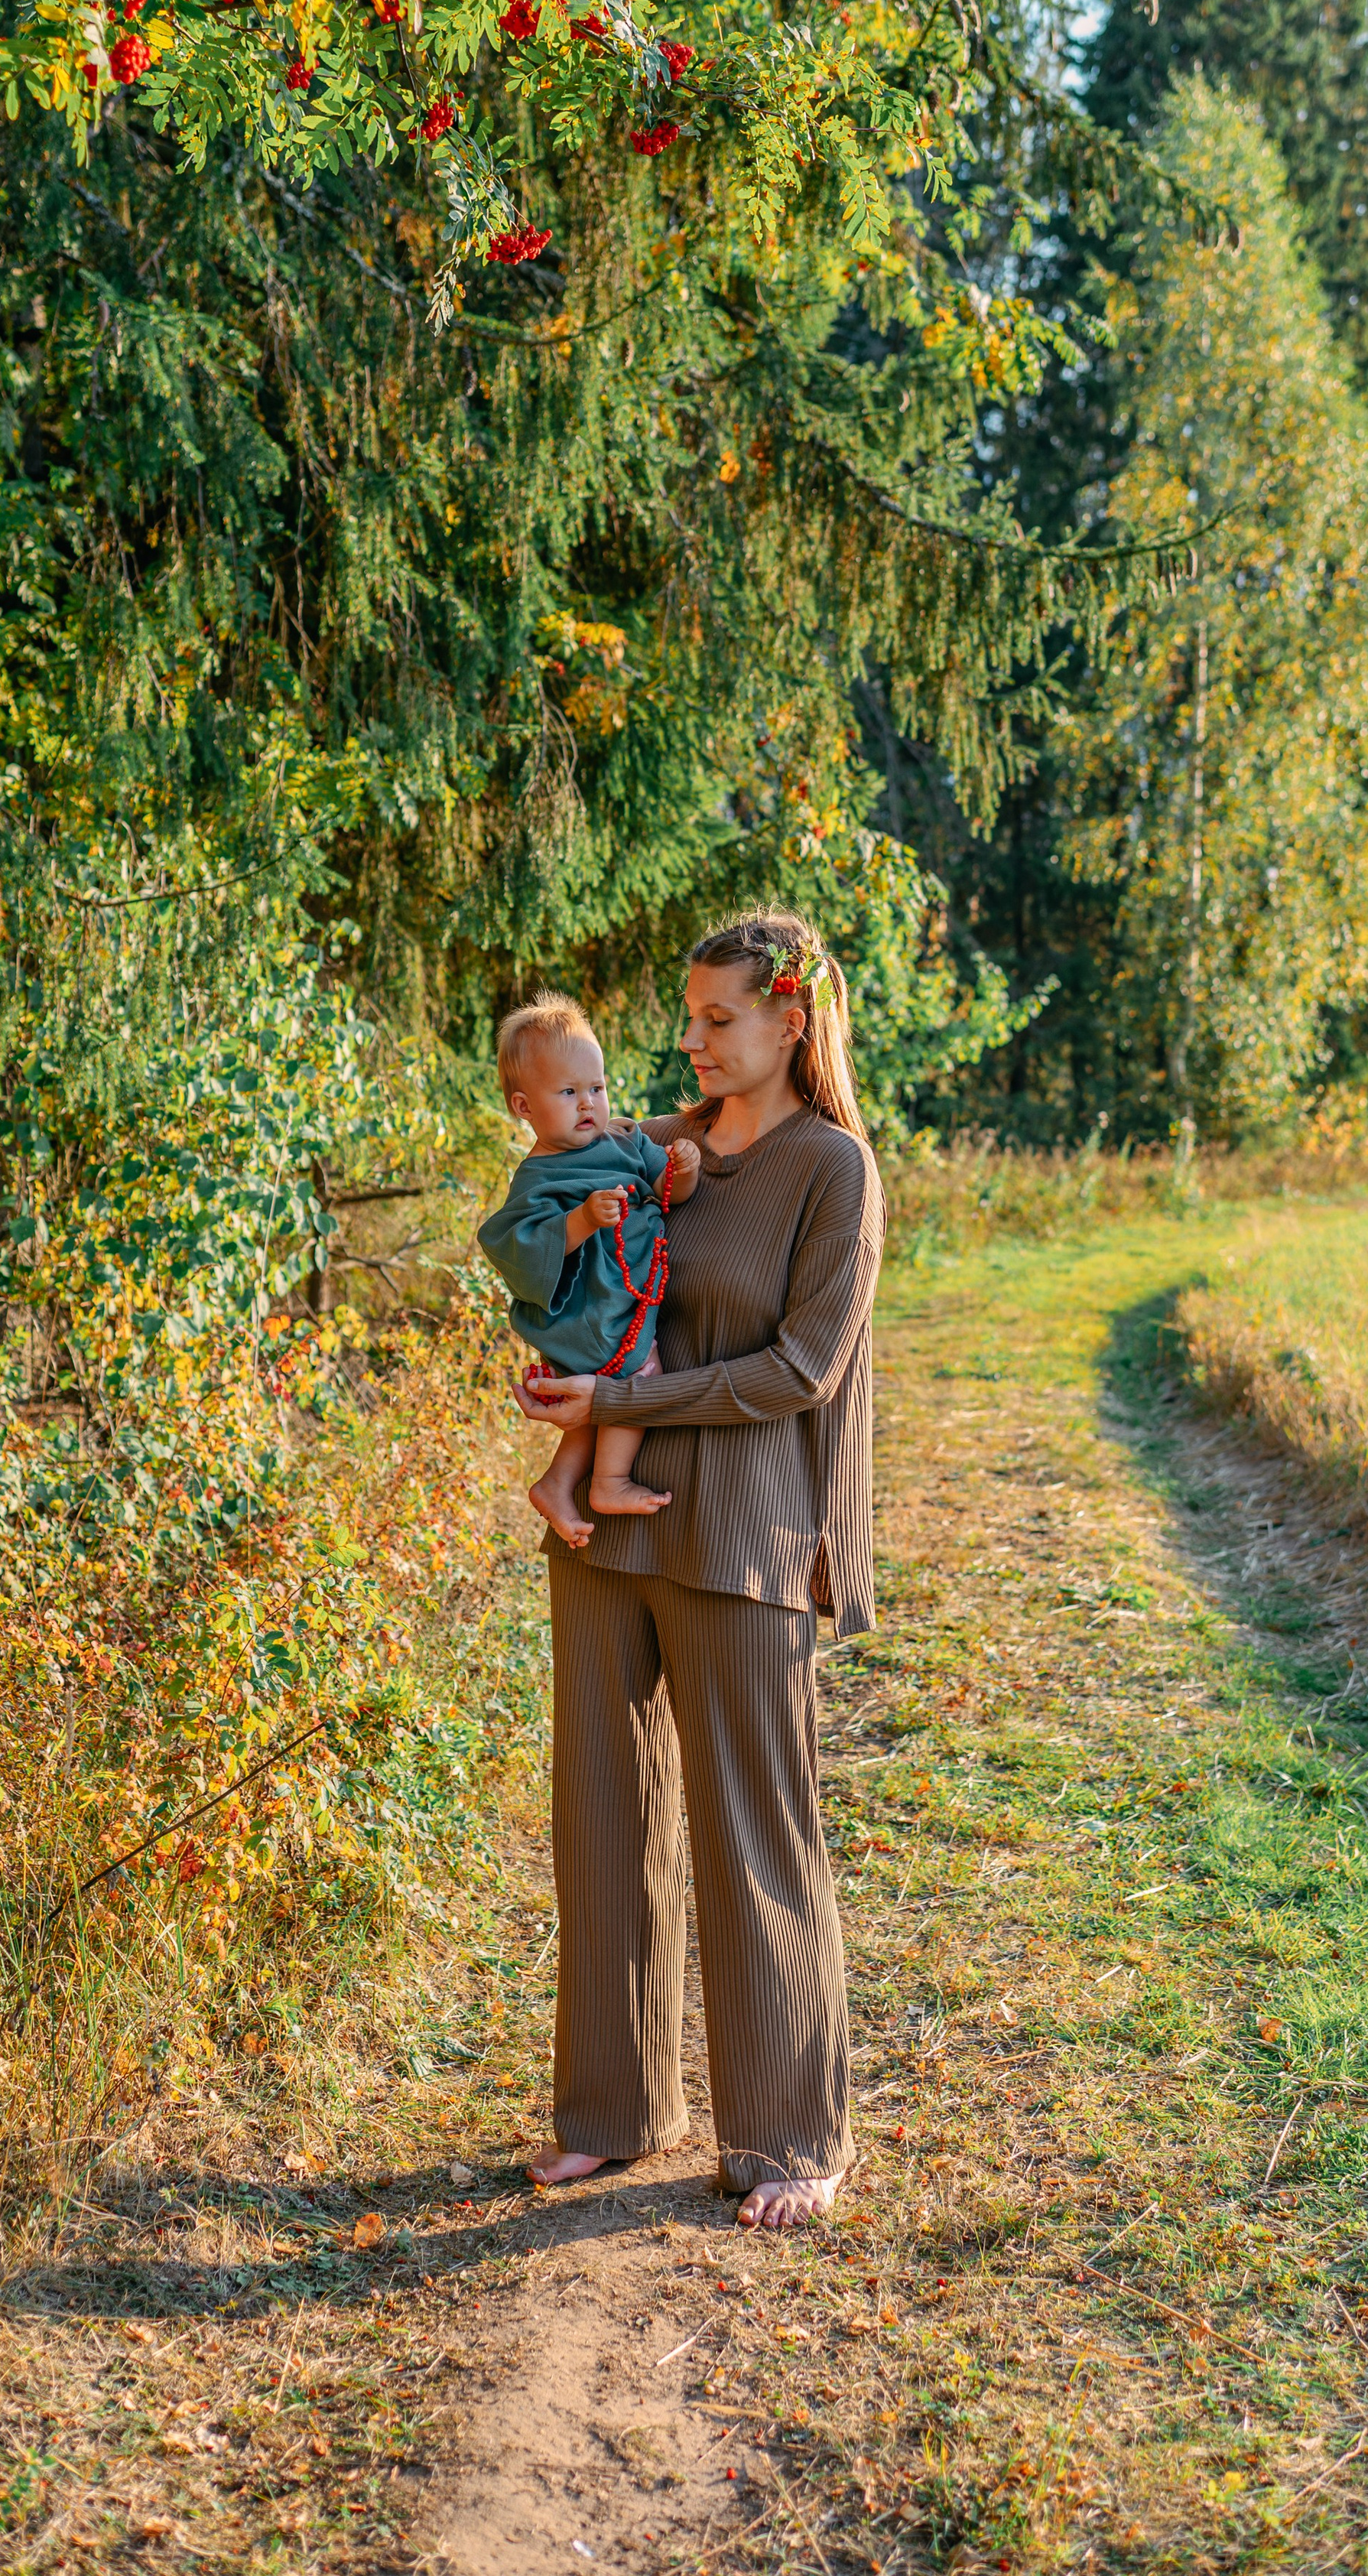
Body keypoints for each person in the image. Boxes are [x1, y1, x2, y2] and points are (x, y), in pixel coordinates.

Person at [512, 910, 883, 2231]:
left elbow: (804, 1368)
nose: (693, 1036)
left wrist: (622, 1392)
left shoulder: (830, 1169)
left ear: (792, 1018)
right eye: (689, 1015)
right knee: (605, 1820)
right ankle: (613, 2117)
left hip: (743, 1531)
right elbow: (556, 1246)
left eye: (718, 1015)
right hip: (608, 1529)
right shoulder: (651, 1141)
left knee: (752, 1829)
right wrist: (561, 1367)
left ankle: (792, 2133)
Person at [479, 995, 700, 1547]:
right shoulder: (538, 1176)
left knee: (601, 1393)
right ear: (524, 1107)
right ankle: (609, 1482)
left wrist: (685, 1169)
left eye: (596, 1089)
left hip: (624, 1296)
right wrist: (579, 1221)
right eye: (568, 1092)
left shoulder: (624, 1140)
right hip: (591, 1311)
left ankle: (557, 1483)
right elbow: (519, 1244)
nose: (587, 1104)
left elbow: (668, 1189)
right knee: (636, 1377)